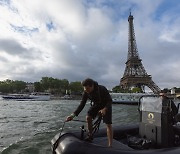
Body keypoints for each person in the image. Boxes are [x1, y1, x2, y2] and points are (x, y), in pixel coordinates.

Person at [66, 78, 113, 147]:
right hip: (96, 105)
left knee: (108, 124)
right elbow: (82, 104)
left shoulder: (102, 89)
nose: (87, 91)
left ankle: (110, 145)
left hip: (106, 105)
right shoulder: (86, 92)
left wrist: (104, 109)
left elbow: (110, 101)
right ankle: (90, 135)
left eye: (88, 89)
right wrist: (73, 115)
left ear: (92, 86)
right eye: (85, 89)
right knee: (88, 117)